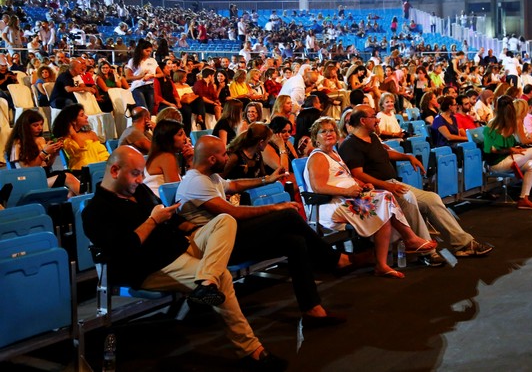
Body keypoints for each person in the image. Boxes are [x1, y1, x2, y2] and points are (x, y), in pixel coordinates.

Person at [81, 146, 288, 369]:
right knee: (224, 277)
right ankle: (252, 350)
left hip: (180, 245)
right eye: (135, 173)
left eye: (142, 173)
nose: (141, 179)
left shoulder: (138, 191)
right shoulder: (95, 211)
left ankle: (205, 282)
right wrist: (153, 221)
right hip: (152, 266)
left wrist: (192, 228)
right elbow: (124, 250)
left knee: (225, 220)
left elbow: (171, 219)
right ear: (114, 170)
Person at [176, 135, 362, 328]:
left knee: (294, 242)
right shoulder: (195, 183)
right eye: (224, 154)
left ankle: (312, 310)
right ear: (212, 159)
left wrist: (267, 179)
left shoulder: (210, 177)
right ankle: (335, 260)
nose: (228, 157)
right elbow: (233, 213)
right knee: (287, 216)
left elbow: (235, 185)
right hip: (219, 248)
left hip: (231, 237)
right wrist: (276, 207)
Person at [339, 105, 493, 259]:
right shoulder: (350, 144)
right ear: (363, 120)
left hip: (392, 184)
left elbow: (385, 153)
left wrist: (408, 156)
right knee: (409, 200)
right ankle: (427, 252)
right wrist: (387, 185)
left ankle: (463, 244)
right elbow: (357, 174)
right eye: (374, 116)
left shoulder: (372, 137)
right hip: (378, 190)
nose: (377, 120)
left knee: (432, 199)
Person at [304, 117, 436, 279]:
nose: (329, 134)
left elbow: (344, 178)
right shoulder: (318, 156)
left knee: (384, 203)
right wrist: (347, 192)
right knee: (385, 199)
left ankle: (383, 263)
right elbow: (318, 187)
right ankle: (410, 239)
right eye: (323, 132)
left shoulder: (334, 154)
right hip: (331, 205)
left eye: (331, 130)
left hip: (348, 199)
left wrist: (362, 184)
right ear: (315, 137)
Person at [482, 96, 532, 210]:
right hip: (496, 163)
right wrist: (510, 149)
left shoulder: (510, 124)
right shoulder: (492, 125)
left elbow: (513, 143)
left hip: (507, 158)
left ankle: (523, 198)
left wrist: (515, 148)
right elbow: (489, 149)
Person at [4, 109, 80, 197]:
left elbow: (46, 165)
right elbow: (28, 169)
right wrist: (44, 152)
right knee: (67, 177)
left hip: (43, 175)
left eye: (41, 124)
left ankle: (71, 205)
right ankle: (90, 204)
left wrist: (54, 153)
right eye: (35, 125)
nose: (40, 128)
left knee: (76, 174)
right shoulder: (18, 143)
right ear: (25, 126)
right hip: (28, 180)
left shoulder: (40, 140)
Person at [52, 103, 110, 171]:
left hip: (98, 167)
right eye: (82, 115)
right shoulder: (66, 139)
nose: (86, 117)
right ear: (73, 120)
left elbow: (101, 152)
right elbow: (81, 148)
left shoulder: (91, 134)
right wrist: (73, 132)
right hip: (80, 170)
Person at [143, 118, 194, 195]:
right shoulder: (166, 157)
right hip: (159, 204)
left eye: (184, 133)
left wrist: (189, 161)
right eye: (180, 134)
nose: (185, 138)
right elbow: (178, 191)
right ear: (168, 139)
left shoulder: (162, 155)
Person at [126, 39, 163, 112]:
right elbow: (128, 77)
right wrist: (141, 76)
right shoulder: (133, 61)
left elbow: (161, 74)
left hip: (150, 86)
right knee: (143, 109)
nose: (149, 53)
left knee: (150, 109)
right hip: (138, 87)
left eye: (150, 51)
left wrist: (153, 76)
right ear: (141, 50)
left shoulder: (152, 61)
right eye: (147, 51)